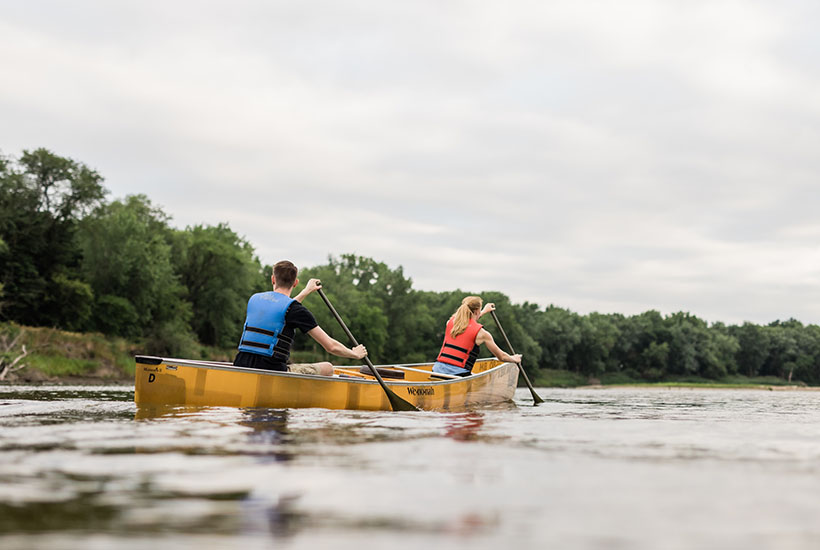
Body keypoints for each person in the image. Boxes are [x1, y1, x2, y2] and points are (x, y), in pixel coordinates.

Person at [234, 260, 367, 376]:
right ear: (295, 282)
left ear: (273, 279)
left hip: (240, 365)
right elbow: (331, 347)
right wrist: (355, 354)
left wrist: (306, 291)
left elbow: (282, 309)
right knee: (328, 367)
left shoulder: (254, 299)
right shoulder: (296, 310)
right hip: (272, 370)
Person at [433, 296, 522, 376]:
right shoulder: (482, 334)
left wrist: (483, 311)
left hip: (436, 371)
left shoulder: (449, 323)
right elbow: (502, 357)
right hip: (458, 375)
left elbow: (466, 322)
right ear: (476, 311)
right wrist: (514, 359)